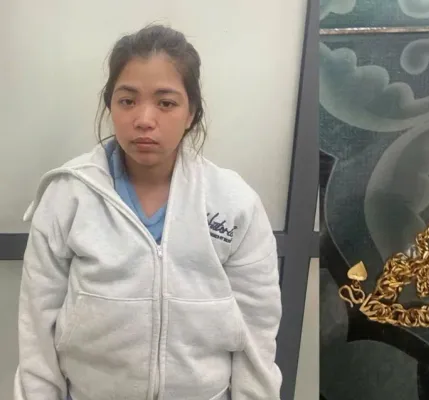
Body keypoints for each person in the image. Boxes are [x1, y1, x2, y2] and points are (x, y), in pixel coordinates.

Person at [13, 24, 282, 400]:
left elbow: (257, 333)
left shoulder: (233, 203)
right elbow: (37, 334)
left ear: (191, 113)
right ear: (110, 106)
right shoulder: (67, 196)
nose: (144, 118)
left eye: (166, 103)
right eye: (127, 101)